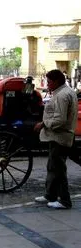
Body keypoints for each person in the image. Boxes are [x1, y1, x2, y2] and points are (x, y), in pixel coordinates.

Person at [33, 69, 78, 209]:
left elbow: (60, 119)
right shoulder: (63, 92)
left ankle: (64, 200)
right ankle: (50, 195)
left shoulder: (62, 95)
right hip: (56, 136)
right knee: (52, 166)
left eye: (49, 81)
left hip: (60, 136)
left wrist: (43, 124)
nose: (48, 84)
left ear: (57, 81)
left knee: (58, 169)